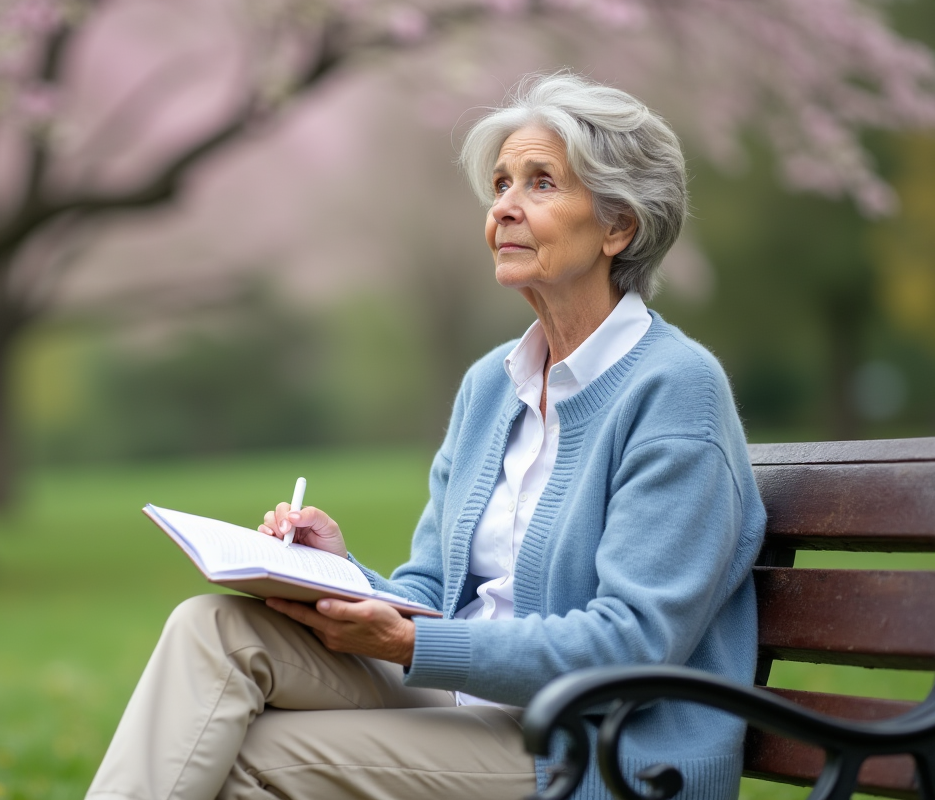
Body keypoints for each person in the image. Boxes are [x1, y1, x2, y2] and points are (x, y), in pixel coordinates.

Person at [85, 71, 766, 800]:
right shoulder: (490, 386)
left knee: (251, 756)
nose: (503, 207)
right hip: (467, 698)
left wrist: (413, 642)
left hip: (593, 745)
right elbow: (430, 592)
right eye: (500, 185)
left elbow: (631, 643)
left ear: (618, 227)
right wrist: (341, 574)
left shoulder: (674, 389)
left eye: (540, 183)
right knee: (213, 629)